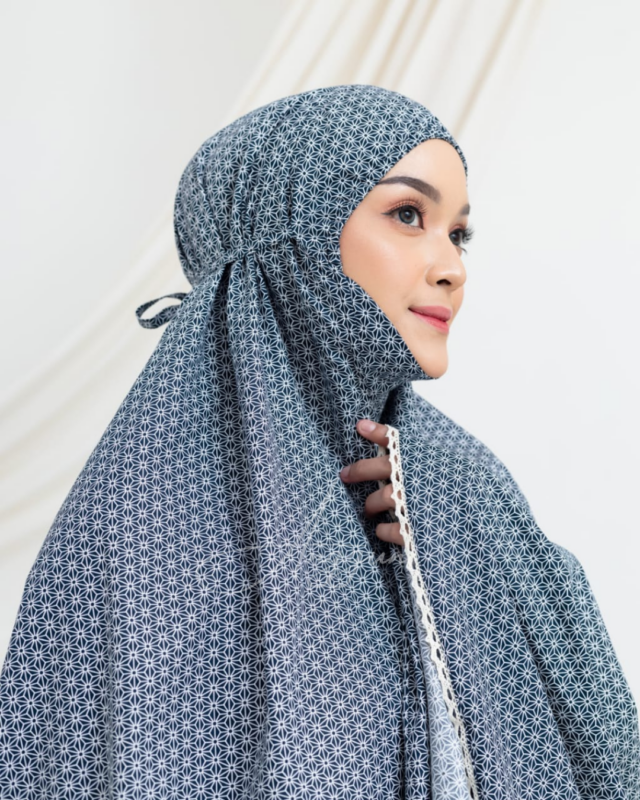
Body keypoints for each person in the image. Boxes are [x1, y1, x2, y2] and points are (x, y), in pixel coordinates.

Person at [0, 84, 637, 799]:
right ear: (293, 234)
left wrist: (468, 540)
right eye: (408, 215)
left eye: (458, 234)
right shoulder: (144, 519)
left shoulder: (453, 484)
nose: (452, 268)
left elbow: (606, 752)